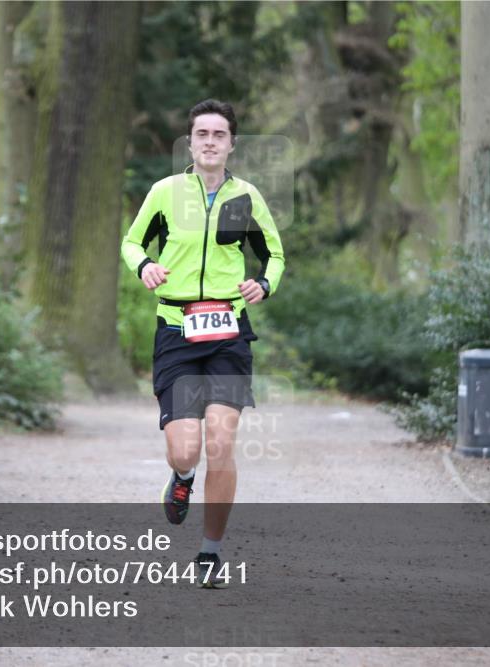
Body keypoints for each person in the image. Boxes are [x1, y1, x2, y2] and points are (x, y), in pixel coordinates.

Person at [120, 99, 285, 587]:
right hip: (176, 330)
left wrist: (264, 284)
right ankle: (183, 479)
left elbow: (273, 254)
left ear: (232, 143)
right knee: (187, 449)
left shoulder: (247, 198)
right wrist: (145, 266)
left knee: (221, 440)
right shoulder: (166, 193)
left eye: (219, 134)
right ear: (189, 143)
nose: (210, 141)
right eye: (201, 134)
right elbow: (132, 243)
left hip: (228, 333)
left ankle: (210, 554)